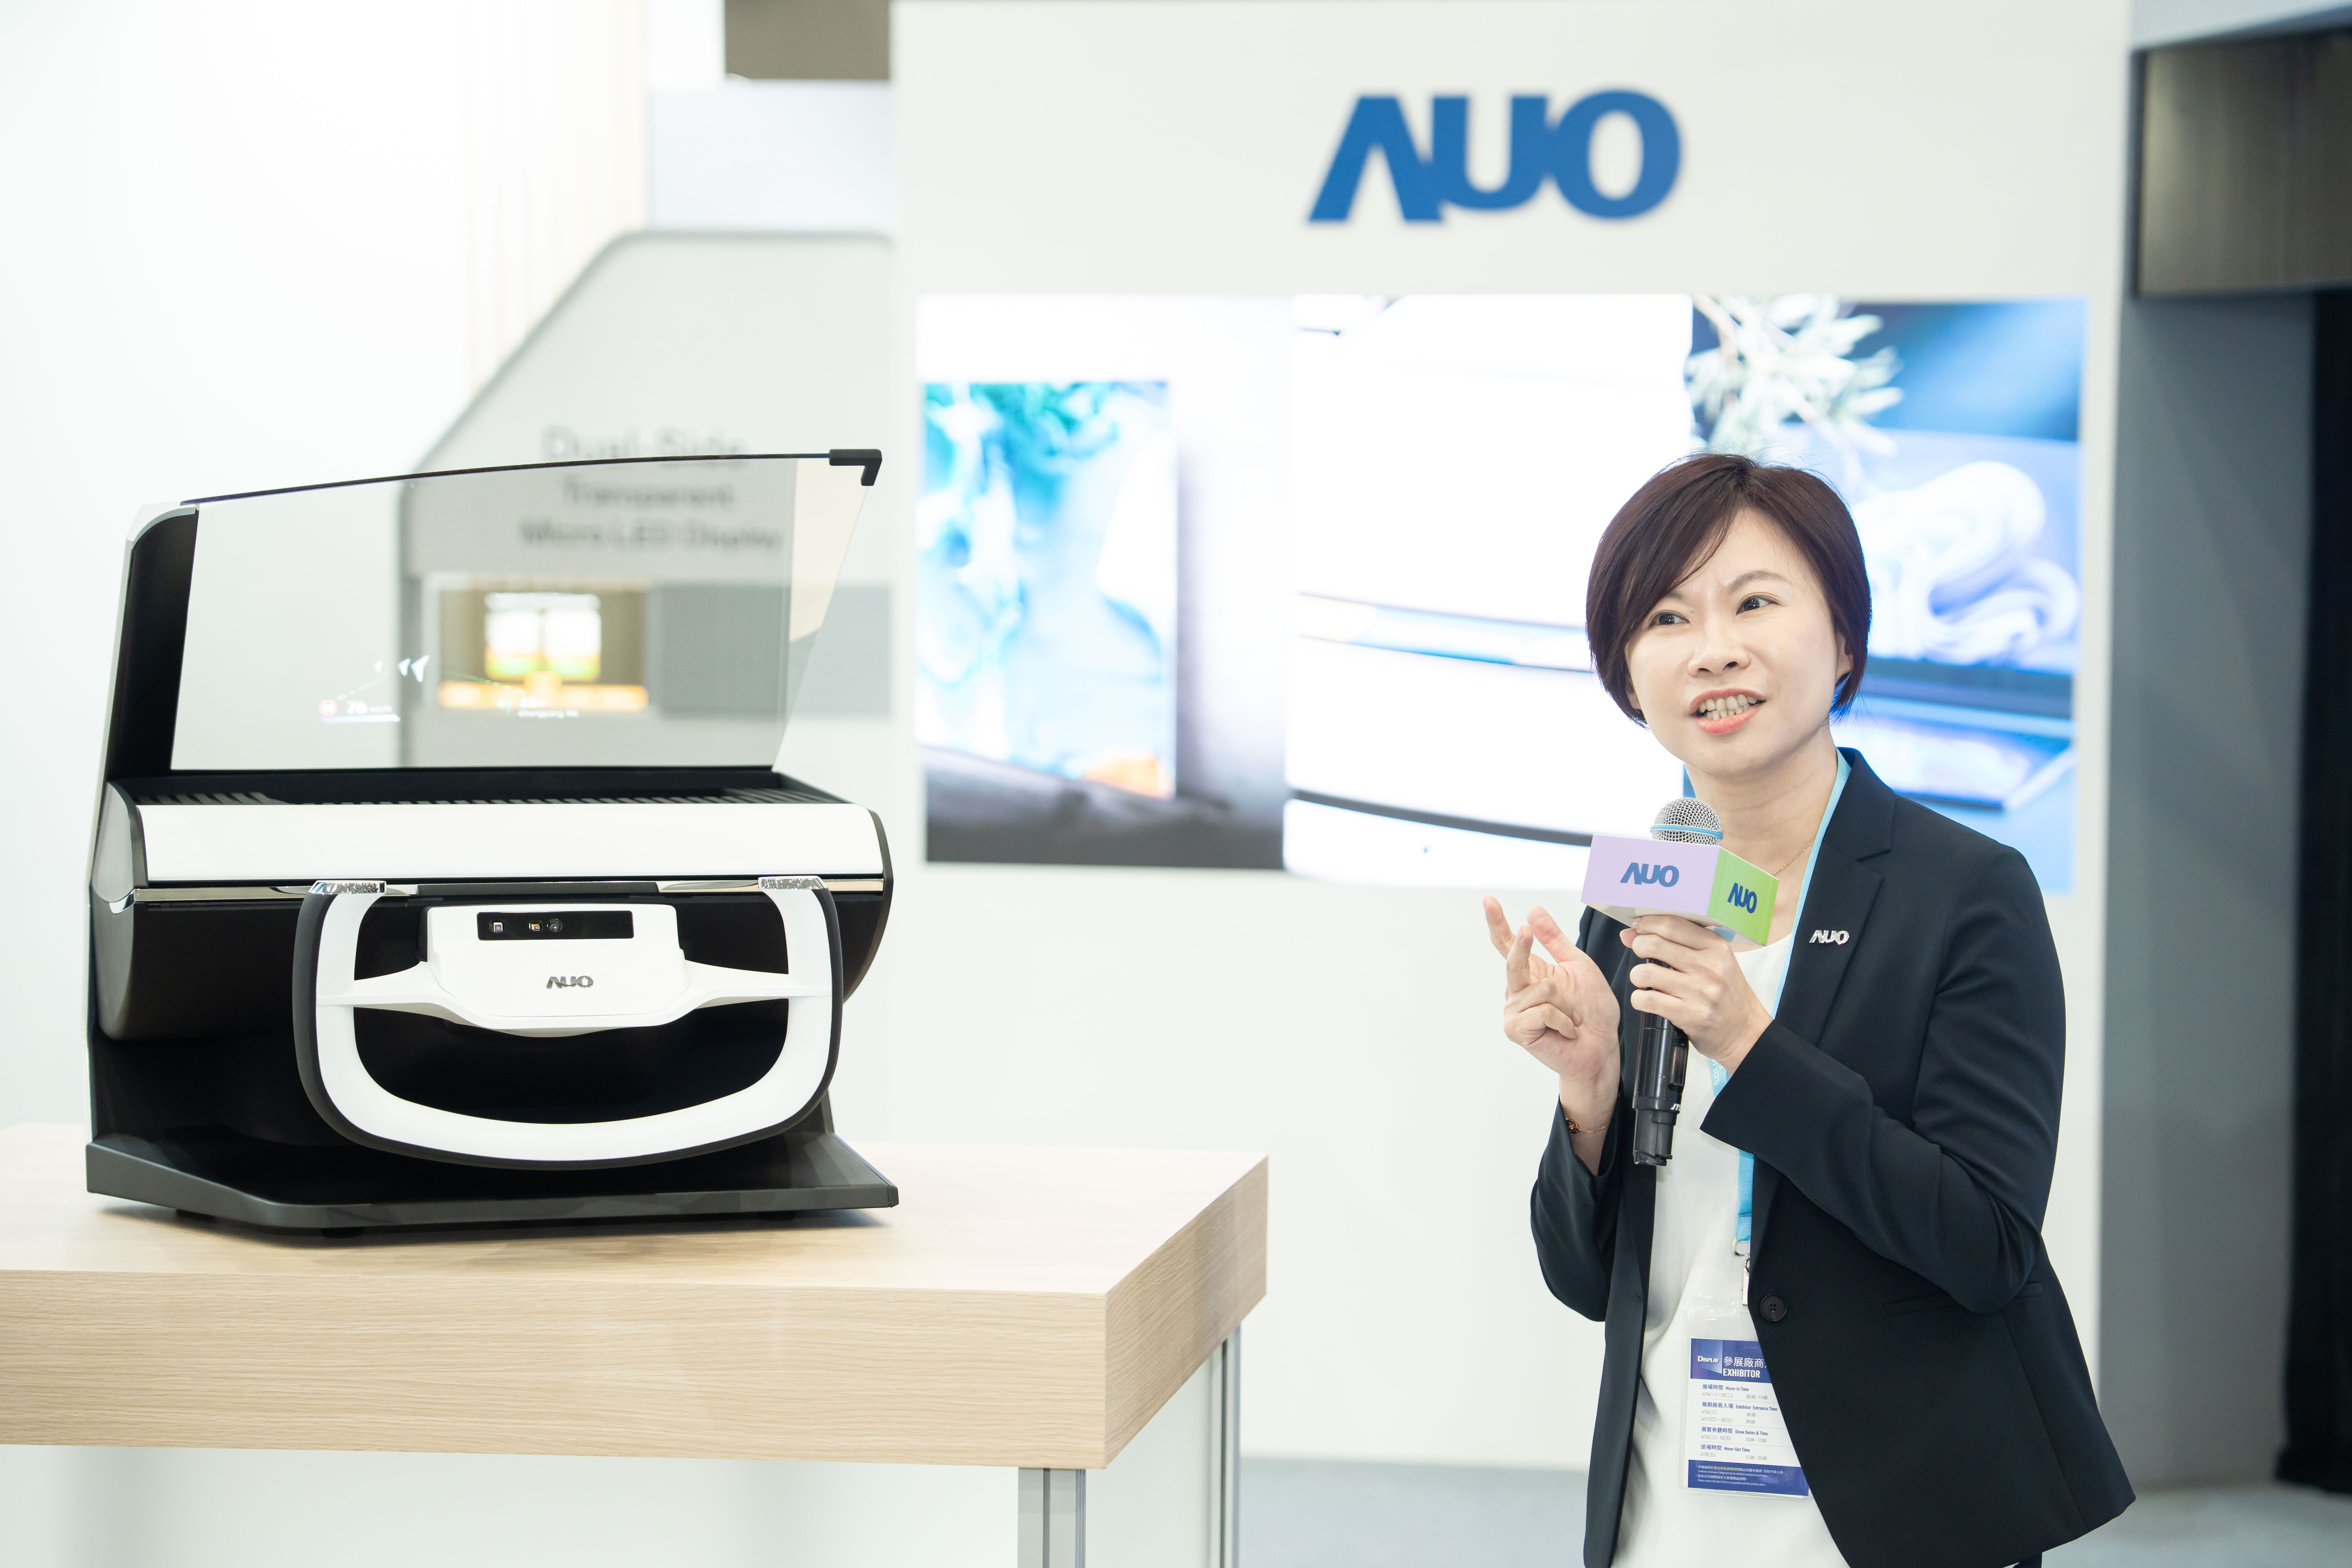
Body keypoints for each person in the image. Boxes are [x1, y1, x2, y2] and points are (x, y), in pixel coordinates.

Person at [1482, 453, 2130, 1568]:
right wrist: (1587, 1095)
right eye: (1666, 617)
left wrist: (1748, 1043)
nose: (1712, 649)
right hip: (1669, 1510)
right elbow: (1587, 1283)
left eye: (1753, 603)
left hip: (1895, 1512)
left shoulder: (1964, 892)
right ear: (1628, 675)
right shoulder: (1638, 901)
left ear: (1843, 642)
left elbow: (1984, 1248)